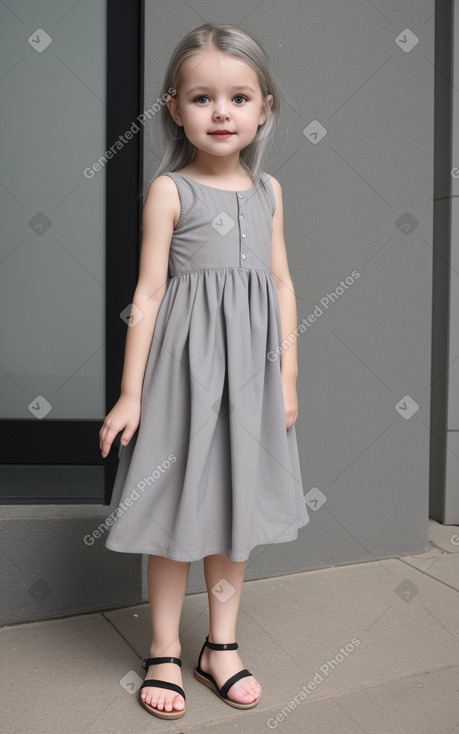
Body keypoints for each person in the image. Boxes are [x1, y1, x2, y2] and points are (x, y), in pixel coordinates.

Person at [98, 22, 310, 721]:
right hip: (183, 383)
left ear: (264, 107)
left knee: (234, 513)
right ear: (173, 108)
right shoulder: (171, 193)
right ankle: (164, 647)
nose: (221, 112)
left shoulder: (268, 192)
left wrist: (287, 378)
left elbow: (280, 284)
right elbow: (149, 295)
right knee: (174, 512)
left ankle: (220, 645)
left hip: (250, 384)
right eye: (202, 97)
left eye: (238, 97)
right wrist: (131, 394)